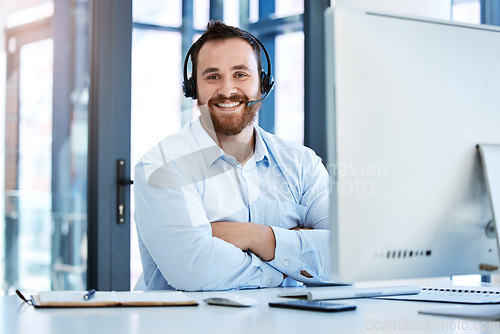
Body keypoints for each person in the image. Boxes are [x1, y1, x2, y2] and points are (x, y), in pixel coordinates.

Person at [134, 20, 331, 291]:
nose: (227, 90)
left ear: (263, 83)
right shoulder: (161, 167)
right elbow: (195, 270)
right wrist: (291, 262)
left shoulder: (302, 163)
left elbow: (346, 255)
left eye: (240, 74)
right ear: (192, 89)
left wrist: (255, 237)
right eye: (213, 76)